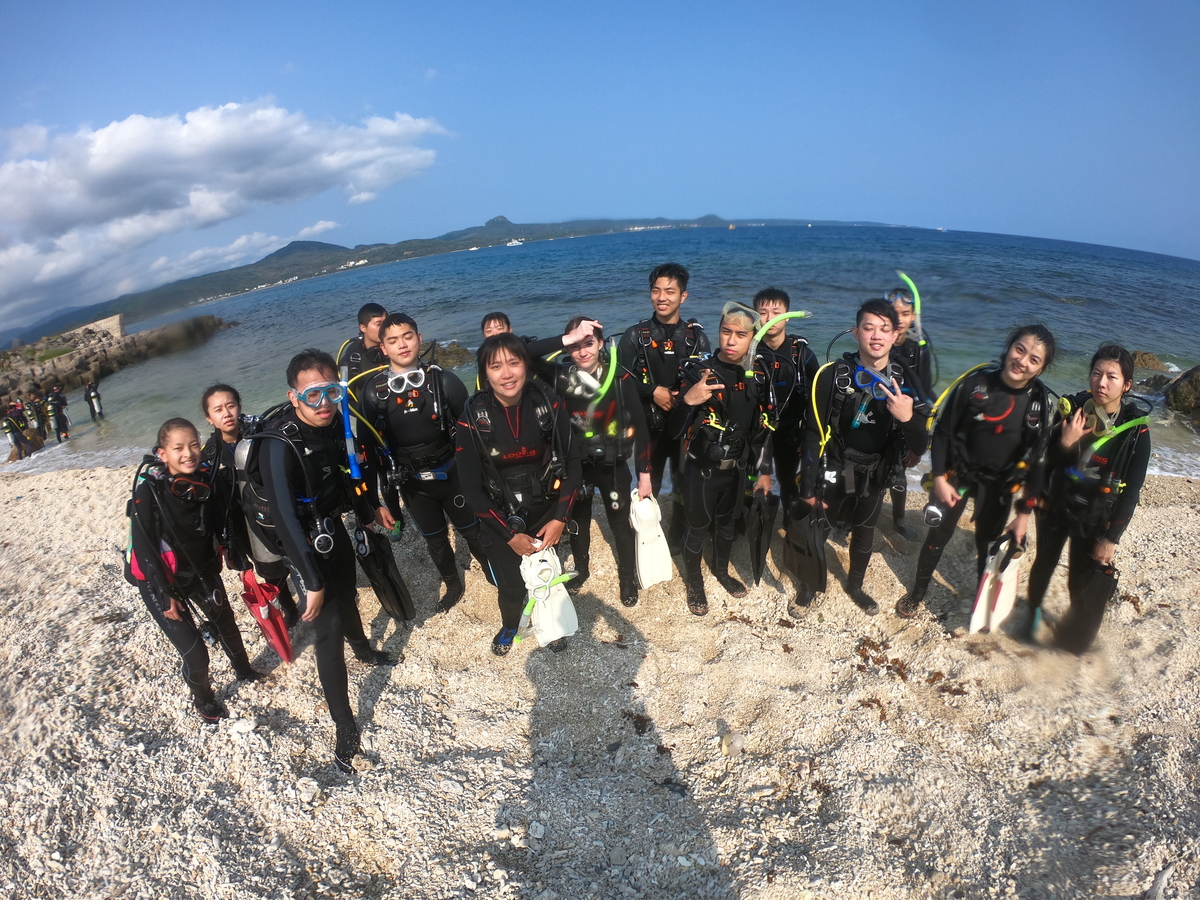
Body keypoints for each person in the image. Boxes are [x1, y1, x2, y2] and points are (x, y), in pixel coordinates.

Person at [257, 349, 399, 773]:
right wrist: (311, 580)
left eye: (332, 392)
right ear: (294, 396)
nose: (325, 404)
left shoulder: (337, 422)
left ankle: (365, 651)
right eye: (313, 395)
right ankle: (345, 727)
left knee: (350, 597)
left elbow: (350, 474)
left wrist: (372, 507)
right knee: (327, 629)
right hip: (299, 541)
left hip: (330, 528)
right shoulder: (278, 445)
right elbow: (283, 517)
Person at [896, 325, 1056, 618]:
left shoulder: (1040, 405)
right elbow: (943, 433)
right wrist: (941, 478)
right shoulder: (975, 384)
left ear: (1041, 368)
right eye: (1020, 349)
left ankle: (982, 604)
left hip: (999, 484)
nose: (1023, 360)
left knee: (988, 546)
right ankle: (918, 592)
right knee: (937, 538)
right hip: (957, 475)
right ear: (1008, 347)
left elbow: (1038, 463)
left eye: (1034, 359)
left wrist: (1022, 516)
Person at [794, 300, 931, 617]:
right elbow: (813, 432)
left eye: (885, 329)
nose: (876, 335)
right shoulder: (833, 376)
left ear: (896, 334)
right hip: (835, 466)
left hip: (875, 471)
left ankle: (855, 586)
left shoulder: (906, 383)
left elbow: (919, 445)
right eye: (868, 327)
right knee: (819, 527)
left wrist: (909, 418)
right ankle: (810, 585)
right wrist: (808, 485)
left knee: (865, 532)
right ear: (856, 332)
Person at [127, 418, 265, 724]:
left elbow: (221, 524)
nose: (188, 453)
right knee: (196, 654)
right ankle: (203, 699)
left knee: (227, 624)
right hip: (161, 581)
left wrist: (234, 553)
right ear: (162, 454)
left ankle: (244, 669)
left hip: (201, 571)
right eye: (178, 448)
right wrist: (164, 594)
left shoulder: (205, 480)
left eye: (193, 445)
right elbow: (144, 547)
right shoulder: (149, 491)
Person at [455, 334, 583, 656]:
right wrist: (510, 535)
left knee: (547, 575)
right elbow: (470, 489)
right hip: (499, 516)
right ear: (485, 373)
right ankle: (511, 623)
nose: (507, 373)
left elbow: (573, 464)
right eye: (496, 366)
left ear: (526, 365)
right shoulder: (472, 418)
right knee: (511, 586)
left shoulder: (547, 403)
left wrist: (559, 519)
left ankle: (551, 626)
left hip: (544, 512)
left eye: (514, 363)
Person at [356, 313, 491, 612]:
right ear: (383, 349)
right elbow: (367, 451)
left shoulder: (444, 381)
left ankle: (495, 575)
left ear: (419, 338)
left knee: (472, 531)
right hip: (413, 484)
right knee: (436, 541)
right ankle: (453, 584)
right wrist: (378, 503)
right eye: (392, 340)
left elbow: (472, 433)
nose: (402, 345)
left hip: (452, 473)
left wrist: (482, 475)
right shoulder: (373, 393)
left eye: (407, 337)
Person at [1023, 344, 1150, 650]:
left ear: (1127, 385)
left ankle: (1072, 631)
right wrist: (1064, 442)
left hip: (1093, 515)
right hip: (1056, 504)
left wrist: (1111, 537)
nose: (1101, 383)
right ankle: (1032, 615)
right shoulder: (1073, 411)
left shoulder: (1136, 434)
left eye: (1111, 377)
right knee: (1044, 562)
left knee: (1079, 578)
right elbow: (1042, 460)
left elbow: (1131, 491)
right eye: (1096, 373)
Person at [533, 316, 652, 608]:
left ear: (601, 344)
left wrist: (645, 473)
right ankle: (582, 570)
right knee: (578, 523)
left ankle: (627, 577)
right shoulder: (562, 378)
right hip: (576, 469)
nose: (583, 351)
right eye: (575, 346)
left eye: (589, 343)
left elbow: (641, 427)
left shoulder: (621, 378)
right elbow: (524, 353)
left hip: (612, 467)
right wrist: (565, 338)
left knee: (619, 524)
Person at [669, 303, 775, 615]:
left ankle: (721, 571)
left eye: (740, 335)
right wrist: (688, 401)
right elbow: (673, 432)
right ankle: (695, 584)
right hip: (701, 470)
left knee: (727, 526)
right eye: (725, 332)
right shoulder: (697, 373)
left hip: (737, 469)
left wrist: (763, 470)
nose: (730, 340)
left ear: (753, 340)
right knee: (697, 528)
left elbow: (763, 431)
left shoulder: (758, 376)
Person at [618, 263, 710, 546]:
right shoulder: (635, 336)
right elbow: (618, 379)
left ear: (683, 296)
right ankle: (648, 536)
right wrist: (652, 391)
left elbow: (706, 380)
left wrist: (682, 399)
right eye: (656, 290)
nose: (662, 297)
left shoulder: (696, 337)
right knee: (649, 485)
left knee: (683, 485)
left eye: (670, 291)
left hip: (684, 427)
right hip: (649, 428)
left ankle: (677, 533)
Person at [200, 383, 300, 626]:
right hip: (241, 522)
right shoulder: (209, 457)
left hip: (271, 509)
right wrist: (227, 546)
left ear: (239, 406)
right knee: (267, 569)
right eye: (218, 410)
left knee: (295, 553)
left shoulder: (260, 433)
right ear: (209, 418)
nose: (226, 413)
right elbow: (213, 506)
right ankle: (289, 607)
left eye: (230, 405)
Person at [753, 287, 820, 510]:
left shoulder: (802, 354)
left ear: (788, 315)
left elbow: (816, 400)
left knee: (787, 480)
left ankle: (791, 522)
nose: (770, 318)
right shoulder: (749, 352)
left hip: (791, 432)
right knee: (750, 480)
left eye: (776, 311)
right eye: (763, 312)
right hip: (756, 432)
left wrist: (808, 435)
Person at [884, 287, 936, 540]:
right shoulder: (876, 341)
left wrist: (918, 445)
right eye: (893, 313)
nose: (899, 319)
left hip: (906, 420)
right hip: (876, 418)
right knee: (859, 471)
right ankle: (849, 515)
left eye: (905, 313)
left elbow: (925, 396)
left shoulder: (918, 350)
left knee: (898, 473)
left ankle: (899, 520)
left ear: (914, 316)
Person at [336, 302, 389, 384]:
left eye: (386, 323)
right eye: (378, 324)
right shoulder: (352, 360)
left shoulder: (397, 348)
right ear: (363, 328)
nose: (384, 328)